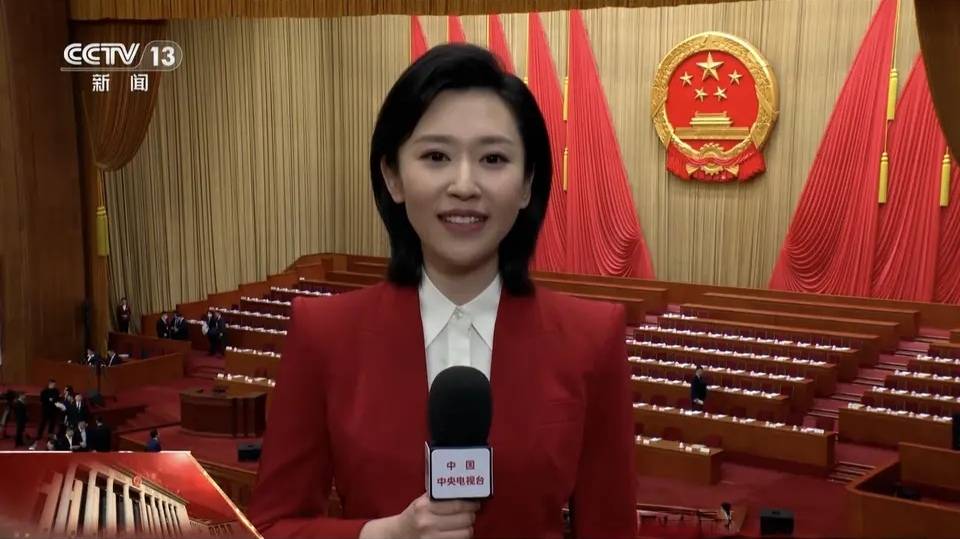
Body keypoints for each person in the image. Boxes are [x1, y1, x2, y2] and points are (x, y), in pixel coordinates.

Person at [247, 44, 636, 539]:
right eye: (436, 156)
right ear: (393, 176)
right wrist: (385, 535)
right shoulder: (323, 333)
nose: (464, 185)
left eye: (493, 158)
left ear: (526, 184)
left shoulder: (592, 338)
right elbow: (273, 526)